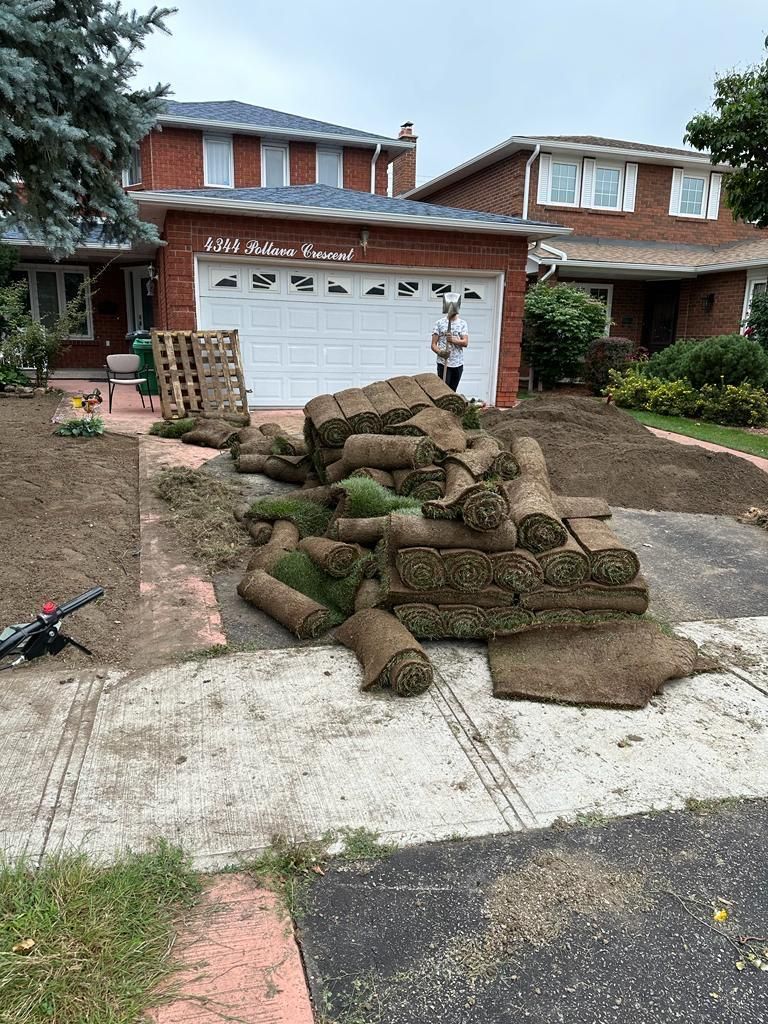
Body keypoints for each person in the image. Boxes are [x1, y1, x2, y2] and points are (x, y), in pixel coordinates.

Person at [431, 292, 468, 391]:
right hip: (443, 363)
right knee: (443, 391)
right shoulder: (439, 323)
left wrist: (453, 340)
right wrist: (440, 352)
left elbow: (465, 342)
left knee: (453, 391)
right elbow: (433, 344)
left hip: (458, 363)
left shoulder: (462, 323)